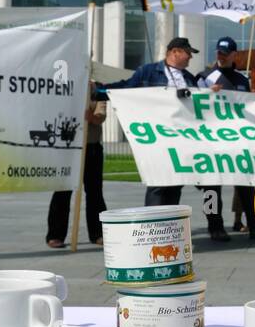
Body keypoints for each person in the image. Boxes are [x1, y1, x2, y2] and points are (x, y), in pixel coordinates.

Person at [100, 37, 231, 241]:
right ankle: (152, 228)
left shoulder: (190, 78)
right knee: (160, 183)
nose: (190, 58)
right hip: (160, 141)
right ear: (175, 52)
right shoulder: (149, 72)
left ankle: (211, 224)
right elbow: (124, 88)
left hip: (187, 141)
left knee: (207, 183)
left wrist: (207, 94)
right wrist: (97, 91)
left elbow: (199, 103)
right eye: (188, 53)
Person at [200, 36, 255, 244]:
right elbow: (194, 103)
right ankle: (214, 227)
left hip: (237, 142)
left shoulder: (241, 80)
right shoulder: (205, 76)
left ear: (234, 55)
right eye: (219, 53)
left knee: (246, 186)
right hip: (211, 143)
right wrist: (206, 93)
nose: (221, 57)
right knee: (211, 188)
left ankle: (254, 226)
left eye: (225, 54)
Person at [46, 90, 107, 248]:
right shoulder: (66, 88)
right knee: (62, 190)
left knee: (94, 192)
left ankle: (98, 233)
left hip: (91, 148)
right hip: (69, 147)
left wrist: (91, 117)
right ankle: (55, 235)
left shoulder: (97, 92)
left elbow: (101, 115)